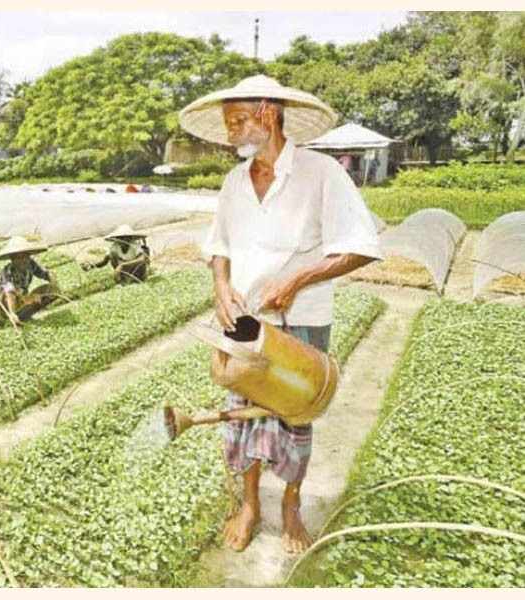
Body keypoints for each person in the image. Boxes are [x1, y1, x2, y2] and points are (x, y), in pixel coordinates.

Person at [179, 75, 382, 554]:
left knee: (295, 411)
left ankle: (290, 504)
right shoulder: (234, 182)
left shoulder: (321, 173)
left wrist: (297, 279)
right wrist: (221, 284)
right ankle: (249, 504)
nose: (231, 133)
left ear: (268, 114)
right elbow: (219, 245)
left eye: (238, 122)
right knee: (239, 416)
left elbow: (363, 247)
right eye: (229, 123)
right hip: (244, 319)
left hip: (303, 319)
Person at [0, 236, 60, 325]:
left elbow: (43, 273)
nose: (22, 260)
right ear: (12, 259)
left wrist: (52, 280)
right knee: (12, 295)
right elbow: (10, 293)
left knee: (51, 290)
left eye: (25, 256)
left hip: (22, 297)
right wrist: (12, 313)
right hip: (8, 303)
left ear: (28, 255)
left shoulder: (30, 264)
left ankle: (25, 315)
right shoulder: (8, 271)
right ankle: (13, 317)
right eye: (18, 257)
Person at [81, 224, 151, 284]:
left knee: (140, 263)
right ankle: (123, 278)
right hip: (125, 271)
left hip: (138, 271)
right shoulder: (115, 247)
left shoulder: (134, 245)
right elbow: (104, 261)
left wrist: (123, 265)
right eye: (120, 238)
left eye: (125, 238)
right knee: (112, 256)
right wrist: (91, 266)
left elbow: (143, 258)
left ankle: (135, 278)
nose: (122, 240)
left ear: (129, 238)